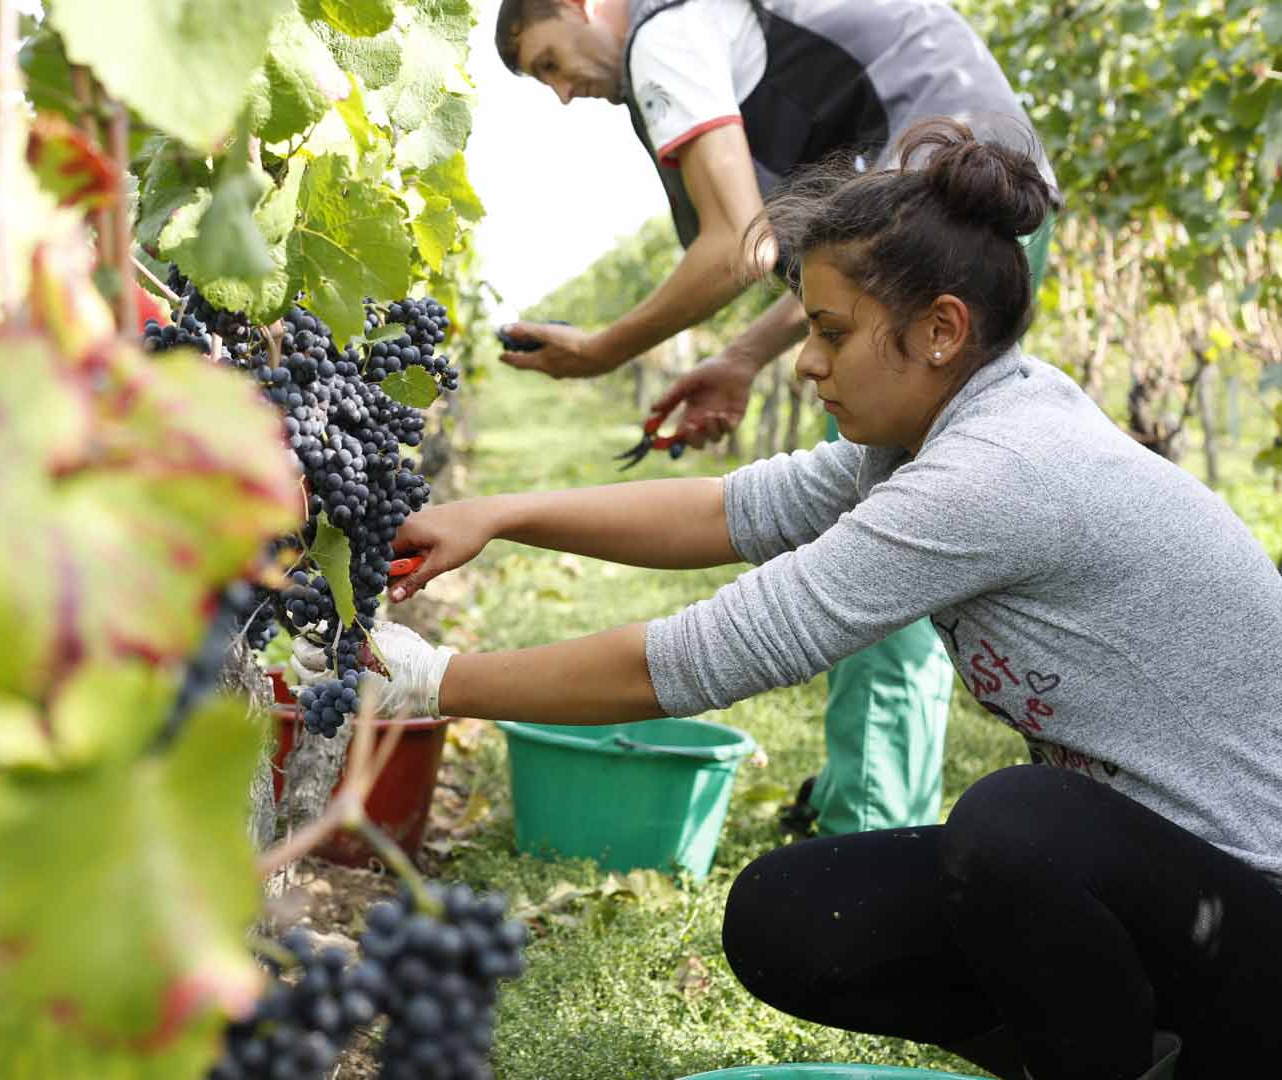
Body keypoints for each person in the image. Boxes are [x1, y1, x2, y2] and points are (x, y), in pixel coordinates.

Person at [293, 121, 1282, 1078]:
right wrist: (502, 514)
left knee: (1016, 826)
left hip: (1252, 918)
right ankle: (1135, 1053)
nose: (804, 362)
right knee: (793, 917)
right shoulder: (945, 427)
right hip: (1148, 888)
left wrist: (438, 680)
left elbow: (707, 653)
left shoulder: (1000, 470)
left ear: (940, 330)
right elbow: (729, 509)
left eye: (828, 333)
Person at [489, 0, 1062, 839]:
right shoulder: (717, 17)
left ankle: (872, 823)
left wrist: (603, 350)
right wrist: (742, 358)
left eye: (546, 63)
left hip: (955, 203)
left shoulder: (664, 33)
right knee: (880, 508)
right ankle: (856, 794)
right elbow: (844, 258)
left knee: (884, 540)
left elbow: (737, 246)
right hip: (980, 198)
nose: (563, 93)